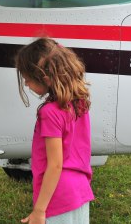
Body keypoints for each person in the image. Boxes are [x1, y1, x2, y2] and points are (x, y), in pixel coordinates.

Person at [15, 38, 94, 224]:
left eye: (27, 77)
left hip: (58, 195)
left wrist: (39, 210)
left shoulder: (50, 113)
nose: (26, 83)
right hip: (80, 191)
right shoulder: (79, 102)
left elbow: (55, 165)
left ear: (46, 78)